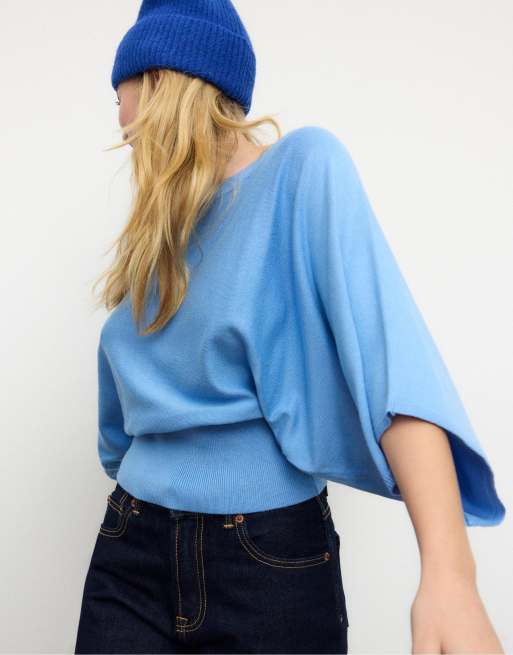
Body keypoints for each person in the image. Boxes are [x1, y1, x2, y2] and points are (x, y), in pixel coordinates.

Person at [74, 1, 506, 653]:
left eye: (120, 94)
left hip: (264, 563)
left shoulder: (302, 169)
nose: (119, 119)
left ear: (160, 78)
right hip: (128, 550)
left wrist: (451, 575)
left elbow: (391, 367)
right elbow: (119, 436)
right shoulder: (155, 236)